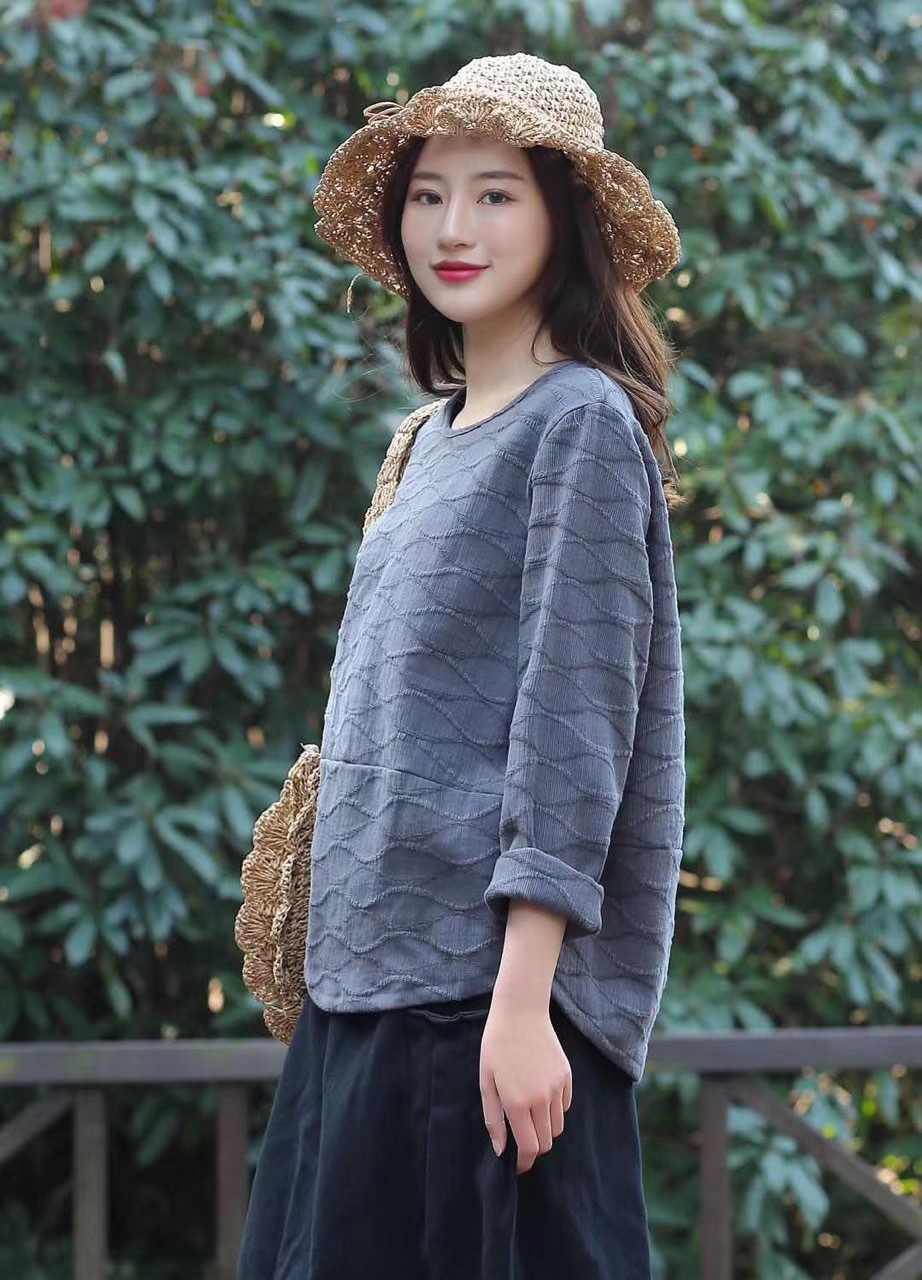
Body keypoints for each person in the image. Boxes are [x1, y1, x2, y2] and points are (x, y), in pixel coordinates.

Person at [237, 51, 686, 1280]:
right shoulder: (423, 440)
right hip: (365, 997)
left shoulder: (579, 422)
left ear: (563, 219)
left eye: (495, 194)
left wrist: (523, 1004)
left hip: (481, 1005)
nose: (453, 226)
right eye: (430, 194)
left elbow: (572, 725)